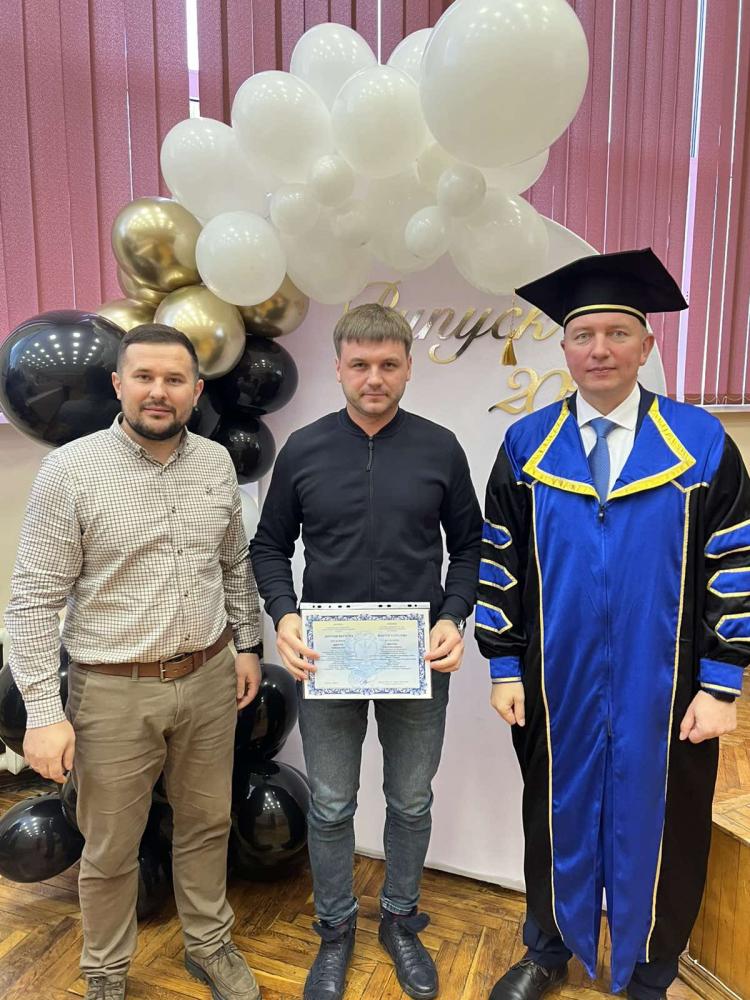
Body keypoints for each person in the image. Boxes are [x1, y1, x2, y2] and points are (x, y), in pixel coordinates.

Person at [475, 248, 748, 1000]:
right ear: (564, 348)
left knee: (667, 825)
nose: (600, 349)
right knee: (552, 813)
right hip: (553, 679)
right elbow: (500, 562)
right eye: (584, 335)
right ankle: (547, 949)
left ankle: (651, 971)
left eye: (617, 333)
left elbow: (734, 565)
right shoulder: (527, 447)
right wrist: (504, 666)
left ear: (646, 345)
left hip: (669, 682)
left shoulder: (699, 443)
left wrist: (721, 683)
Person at [5, 324, 264, 1000]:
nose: (158, 391)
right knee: (112, 845)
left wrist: (247, 645)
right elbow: (33, 601)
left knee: (206, 825)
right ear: (118, 384)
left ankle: (210, 945)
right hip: (112, 692)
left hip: (209, 678)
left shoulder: (215, 464)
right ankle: (105, 973)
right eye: (144, 377)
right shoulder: (72, 470)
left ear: (196, 391)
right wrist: (43, 712)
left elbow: (233, 565)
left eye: (174, 379)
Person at [250, 303, 482, 1000]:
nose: (373, 378)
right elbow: (269, 545)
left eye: (388, 365)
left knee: (410, 800)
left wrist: (455, 616)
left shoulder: (440, 448)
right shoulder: (305, 449)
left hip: (417, 655)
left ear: (408, 368)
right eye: (360, 365)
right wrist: (284, 614)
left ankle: (402, 920)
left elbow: (470, 547)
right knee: (329, 805)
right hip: (328, 658)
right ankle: (335, 928)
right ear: (338, 368)